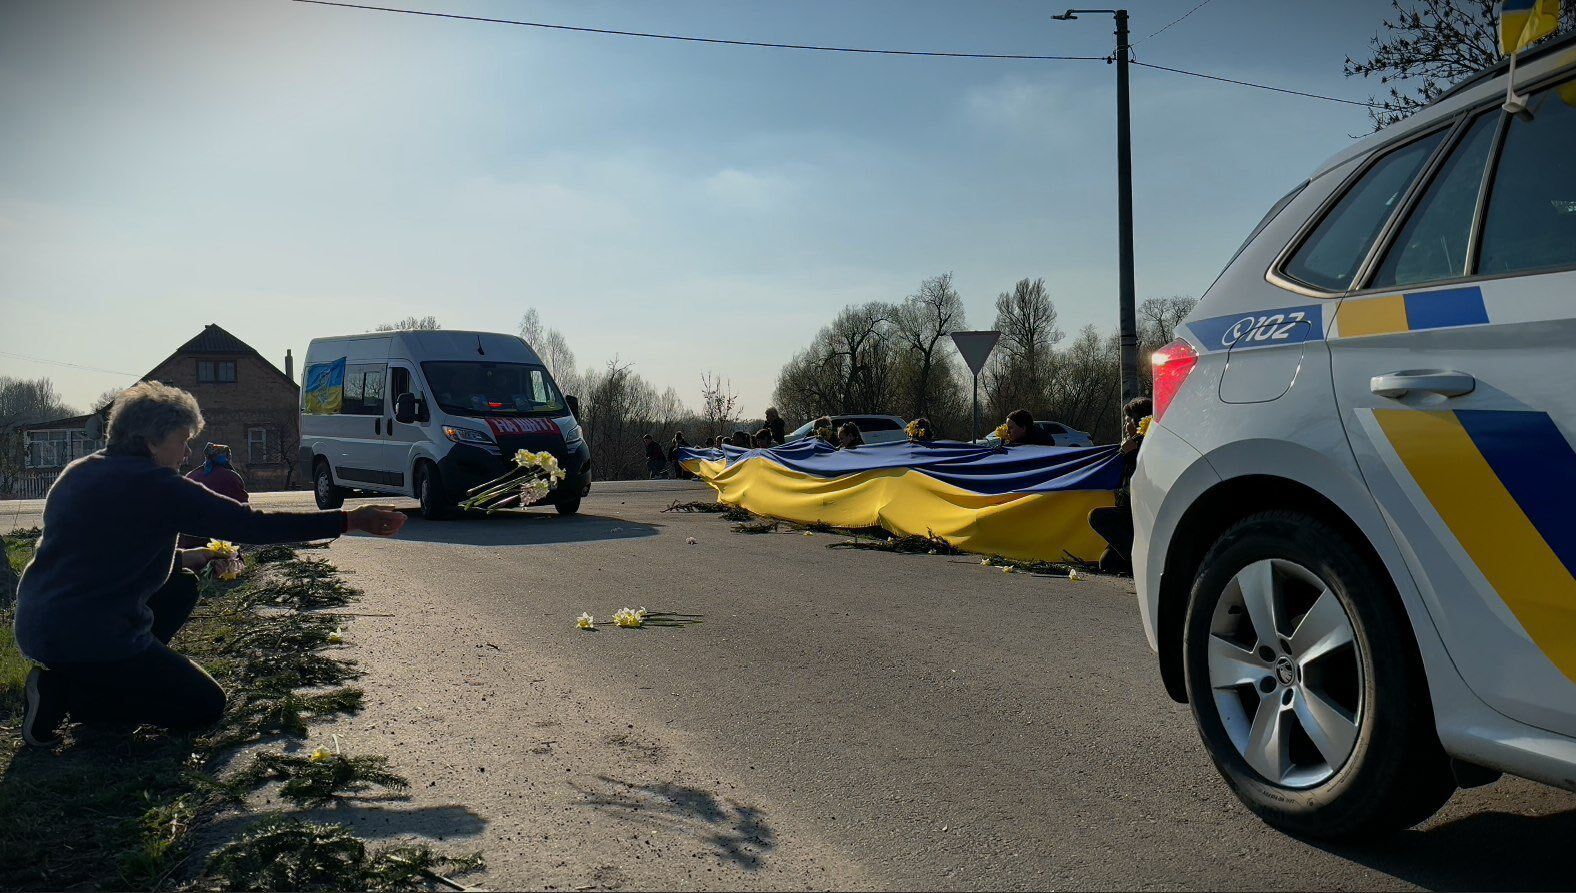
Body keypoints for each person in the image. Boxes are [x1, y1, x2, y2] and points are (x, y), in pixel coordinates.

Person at [15, 381, 407, 747]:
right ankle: (67, 693)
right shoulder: (157, 486)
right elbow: (249, 524)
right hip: (89, 635)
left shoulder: (78, 473)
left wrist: (193, 555)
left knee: (182, 582)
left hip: (39, 623)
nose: (187, 454)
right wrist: (350, 519)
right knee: (204, 704)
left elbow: (100, 558)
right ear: (152, 441)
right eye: (182, 440)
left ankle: (99, 681)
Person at [1087, 397, 1153, 575]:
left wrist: (1131, 454)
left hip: (1141, 514)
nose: (1125, 427)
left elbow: (1146, 478)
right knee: (1107, 563)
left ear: (1138, 422)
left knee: (1097, 517)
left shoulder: (1150, 446)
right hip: (1129, 513)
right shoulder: (1131, 446)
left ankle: (1140, 561)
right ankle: (1132, 559)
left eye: (1127, 422)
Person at [180, 443, 248, 548]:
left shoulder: (191, 475)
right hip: (220, 536)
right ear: (226, 458)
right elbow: (243, 507)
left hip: (190, 537)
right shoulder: (231, 476)